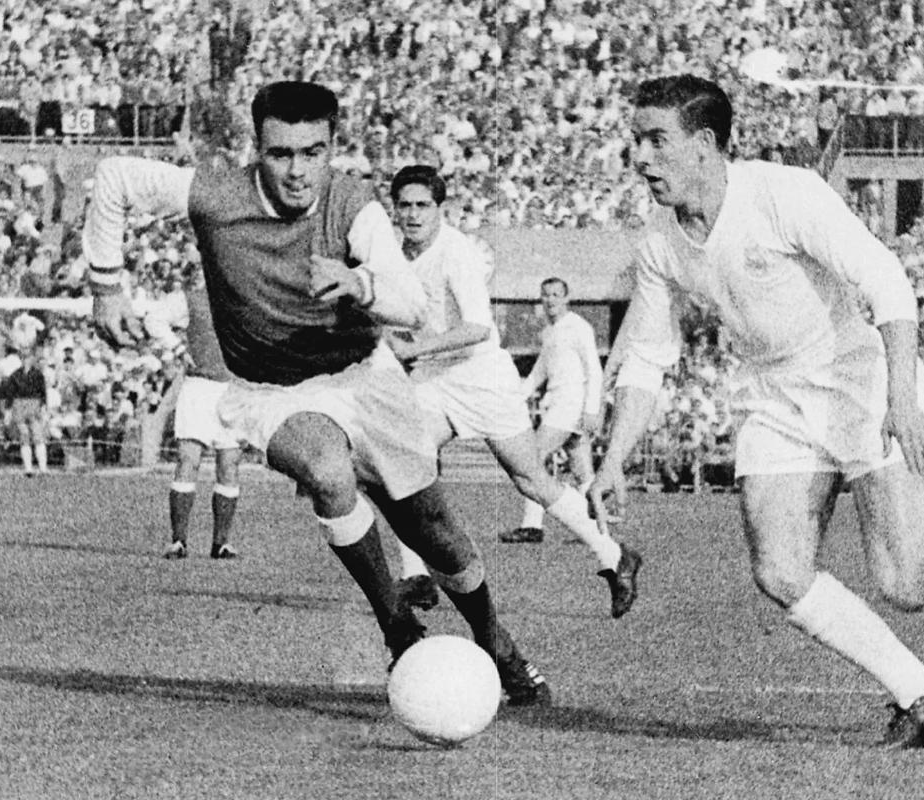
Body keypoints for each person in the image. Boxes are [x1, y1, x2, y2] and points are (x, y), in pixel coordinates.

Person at [82, 81, 550, 705]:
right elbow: (114, 176)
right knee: (328, 471)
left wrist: (360, 284)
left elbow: (412, 304)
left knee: (433, 531)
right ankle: (397, 625)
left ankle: (497, 647)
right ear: (257, 149)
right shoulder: (216, 195)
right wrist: (106, 286)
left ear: (332, 148)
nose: (298, 171)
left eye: (313, 152)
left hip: (365, 378)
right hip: (270, 391)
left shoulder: (354, 205)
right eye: (281, 153)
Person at [590, 75, 924, 749]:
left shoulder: (783, 193)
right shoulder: (659, 241)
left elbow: (887, 280)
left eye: (655, 140)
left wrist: (901, 399)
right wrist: (613, 458)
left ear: (703, 144)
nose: (639, 157)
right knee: (780, 571)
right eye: (636, 140)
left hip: (858, 380)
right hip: (775, 397)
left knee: (903, 583)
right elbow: (646, 357)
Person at [386, 165, 641, 619]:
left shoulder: (456, 252)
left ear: (440, 209)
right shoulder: (396, 255)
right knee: (402, 463)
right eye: (404, 205)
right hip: (433, 377)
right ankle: (417, 576)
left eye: (423, 205)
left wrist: (413, 348)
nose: (413, 214)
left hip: (480, 376)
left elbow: (478, 328)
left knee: (530, 478)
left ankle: (614, 555)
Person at [502, 278, 606, 544]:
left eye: (556, 295)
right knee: (582, 470)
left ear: (566, 298)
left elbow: (594, 369)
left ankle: (532, 525)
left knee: (532, 459)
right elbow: (540, 370)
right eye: (546, 295)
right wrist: (518, 397)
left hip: (570, 404)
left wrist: (592, 409)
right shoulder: (550, 331)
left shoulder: (579, 327)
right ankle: (597, 530)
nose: (550, 300)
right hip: (559, 403)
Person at [162, 280, 242, 561]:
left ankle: (221, 543)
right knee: (188, 460)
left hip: (233, 389)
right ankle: (178, 541)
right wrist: (177, 349)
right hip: (198, 387)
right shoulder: (192, 298)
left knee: (229, 464)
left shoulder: (245, 296)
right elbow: (154, 318)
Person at [0, 347, 50, 476]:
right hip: (19, 406)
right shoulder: (15, 375)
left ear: (32, 359)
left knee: (38, 436)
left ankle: (43, 469)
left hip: (34, 406)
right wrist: (8, 412)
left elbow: (43, 393)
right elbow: (10, 395)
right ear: (21, 359)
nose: (26, 360)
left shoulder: (38, 375)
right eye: (23, 357)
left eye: (28, 357)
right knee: (24, 436)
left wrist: (44, 409)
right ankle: (28, 469)